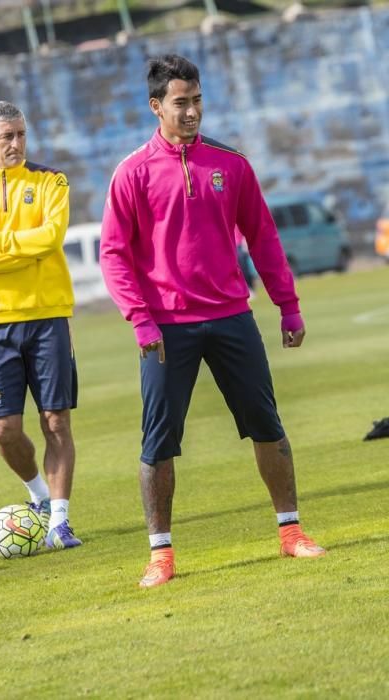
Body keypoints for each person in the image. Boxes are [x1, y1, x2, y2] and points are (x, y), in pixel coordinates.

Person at [100, 55, 325, 589]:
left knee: (268, 427)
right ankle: (160, 554)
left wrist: (287, 304)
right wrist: (141, 320)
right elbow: (113, 254)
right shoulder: (132, 172)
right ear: (156, 107)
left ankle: (291, 532)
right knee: (157, 444)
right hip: (164, 329)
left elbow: (264, 237)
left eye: (197, 99)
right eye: (181, 102)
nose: (193, 111)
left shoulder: (232, 163)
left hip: (231, 318)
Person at [0, 100, 81, 550]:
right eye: (7, 136)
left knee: (56, 420)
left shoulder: (51, 181)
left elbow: (51, 238)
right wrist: (22, 250)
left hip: (47, 318)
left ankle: (60, 523)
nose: (17, 143)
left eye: (21, 134)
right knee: (4, 430)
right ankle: (39, 498)